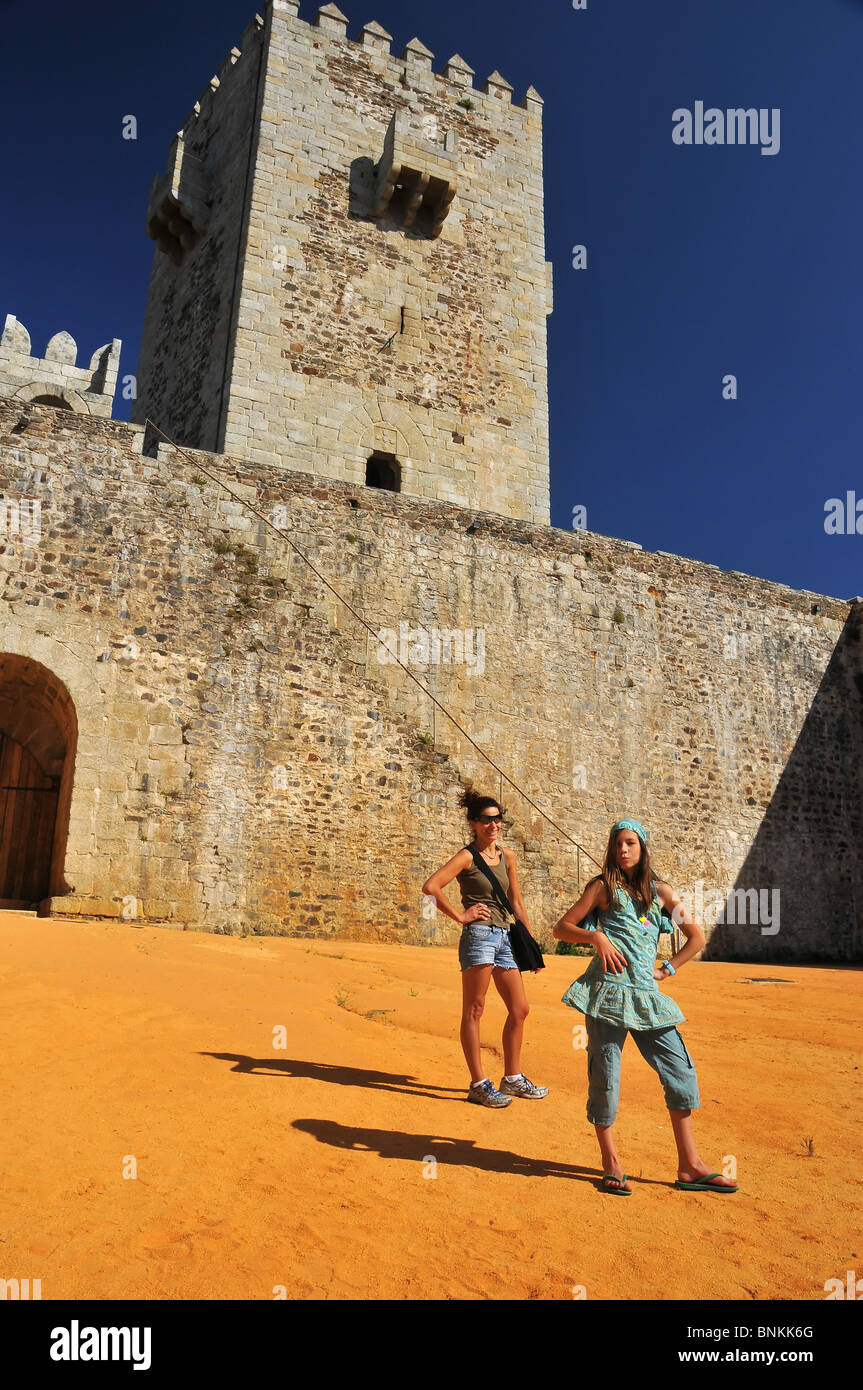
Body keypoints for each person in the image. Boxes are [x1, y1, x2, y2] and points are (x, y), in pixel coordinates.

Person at [553, 818, 738, 1195]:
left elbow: (696, 936)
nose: (623, 850)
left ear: (642, 848)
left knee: (680, 1072)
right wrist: (596, 937)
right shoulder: (603, 888)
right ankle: (611, 1163)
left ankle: (690, 1165)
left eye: (630, 843)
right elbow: (561, 928)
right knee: (605, 1078)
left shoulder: (663, 893)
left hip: (648, 998)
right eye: (618, 843)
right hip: (606, 995)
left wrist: (667, 968)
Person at [422, 791, 548, 1108]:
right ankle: (478, 1084)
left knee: (520, 1009)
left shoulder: (508, 856)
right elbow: (431, 886)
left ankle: (512, 1078)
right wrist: (461, 916)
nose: (493, 824)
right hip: (479, 935)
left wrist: (529, 943)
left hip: (506, 936)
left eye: (497, 818)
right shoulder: (466, 857)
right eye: (486, 820)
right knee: (475, 1010)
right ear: (474, 824)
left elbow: (516, 901)